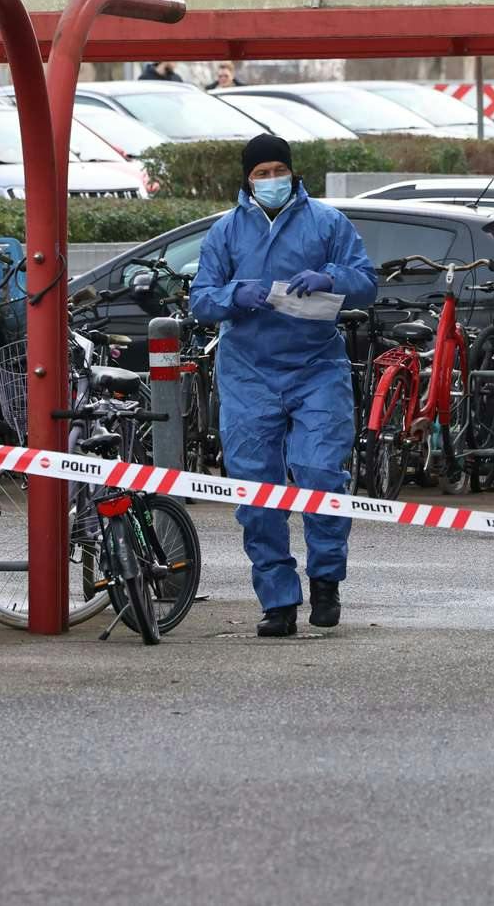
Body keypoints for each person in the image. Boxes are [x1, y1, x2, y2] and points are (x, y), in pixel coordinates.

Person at [190, 134, 376, 637]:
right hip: (247, 373)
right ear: (247, 180)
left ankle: (326, 579)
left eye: (278, 170)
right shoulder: (225, 232)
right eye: (261, 173)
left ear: (293, 173)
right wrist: (236, 294)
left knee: (321, 473)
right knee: (257, 491)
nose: (271, 179)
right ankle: (277, 601)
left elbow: (366, 281)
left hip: (317, 366)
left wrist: (331, 277)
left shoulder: (328, 223)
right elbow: (201, 299)